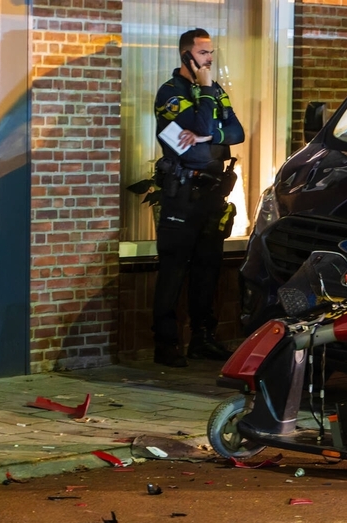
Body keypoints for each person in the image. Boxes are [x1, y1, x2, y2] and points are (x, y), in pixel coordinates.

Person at [151, 28, 244, 368]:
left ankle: (202, 339)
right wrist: (205, 95)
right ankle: (166, 344)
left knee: (208, 267)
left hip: (212, 193)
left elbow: (237, 132)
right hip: (183, 193)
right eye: (204, 53)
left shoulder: (215, 91)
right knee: (174, 269)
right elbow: (193, 140)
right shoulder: (170, 94)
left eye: (211, 52)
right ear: (186, 55)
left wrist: (208, 132)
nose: (210, 58)